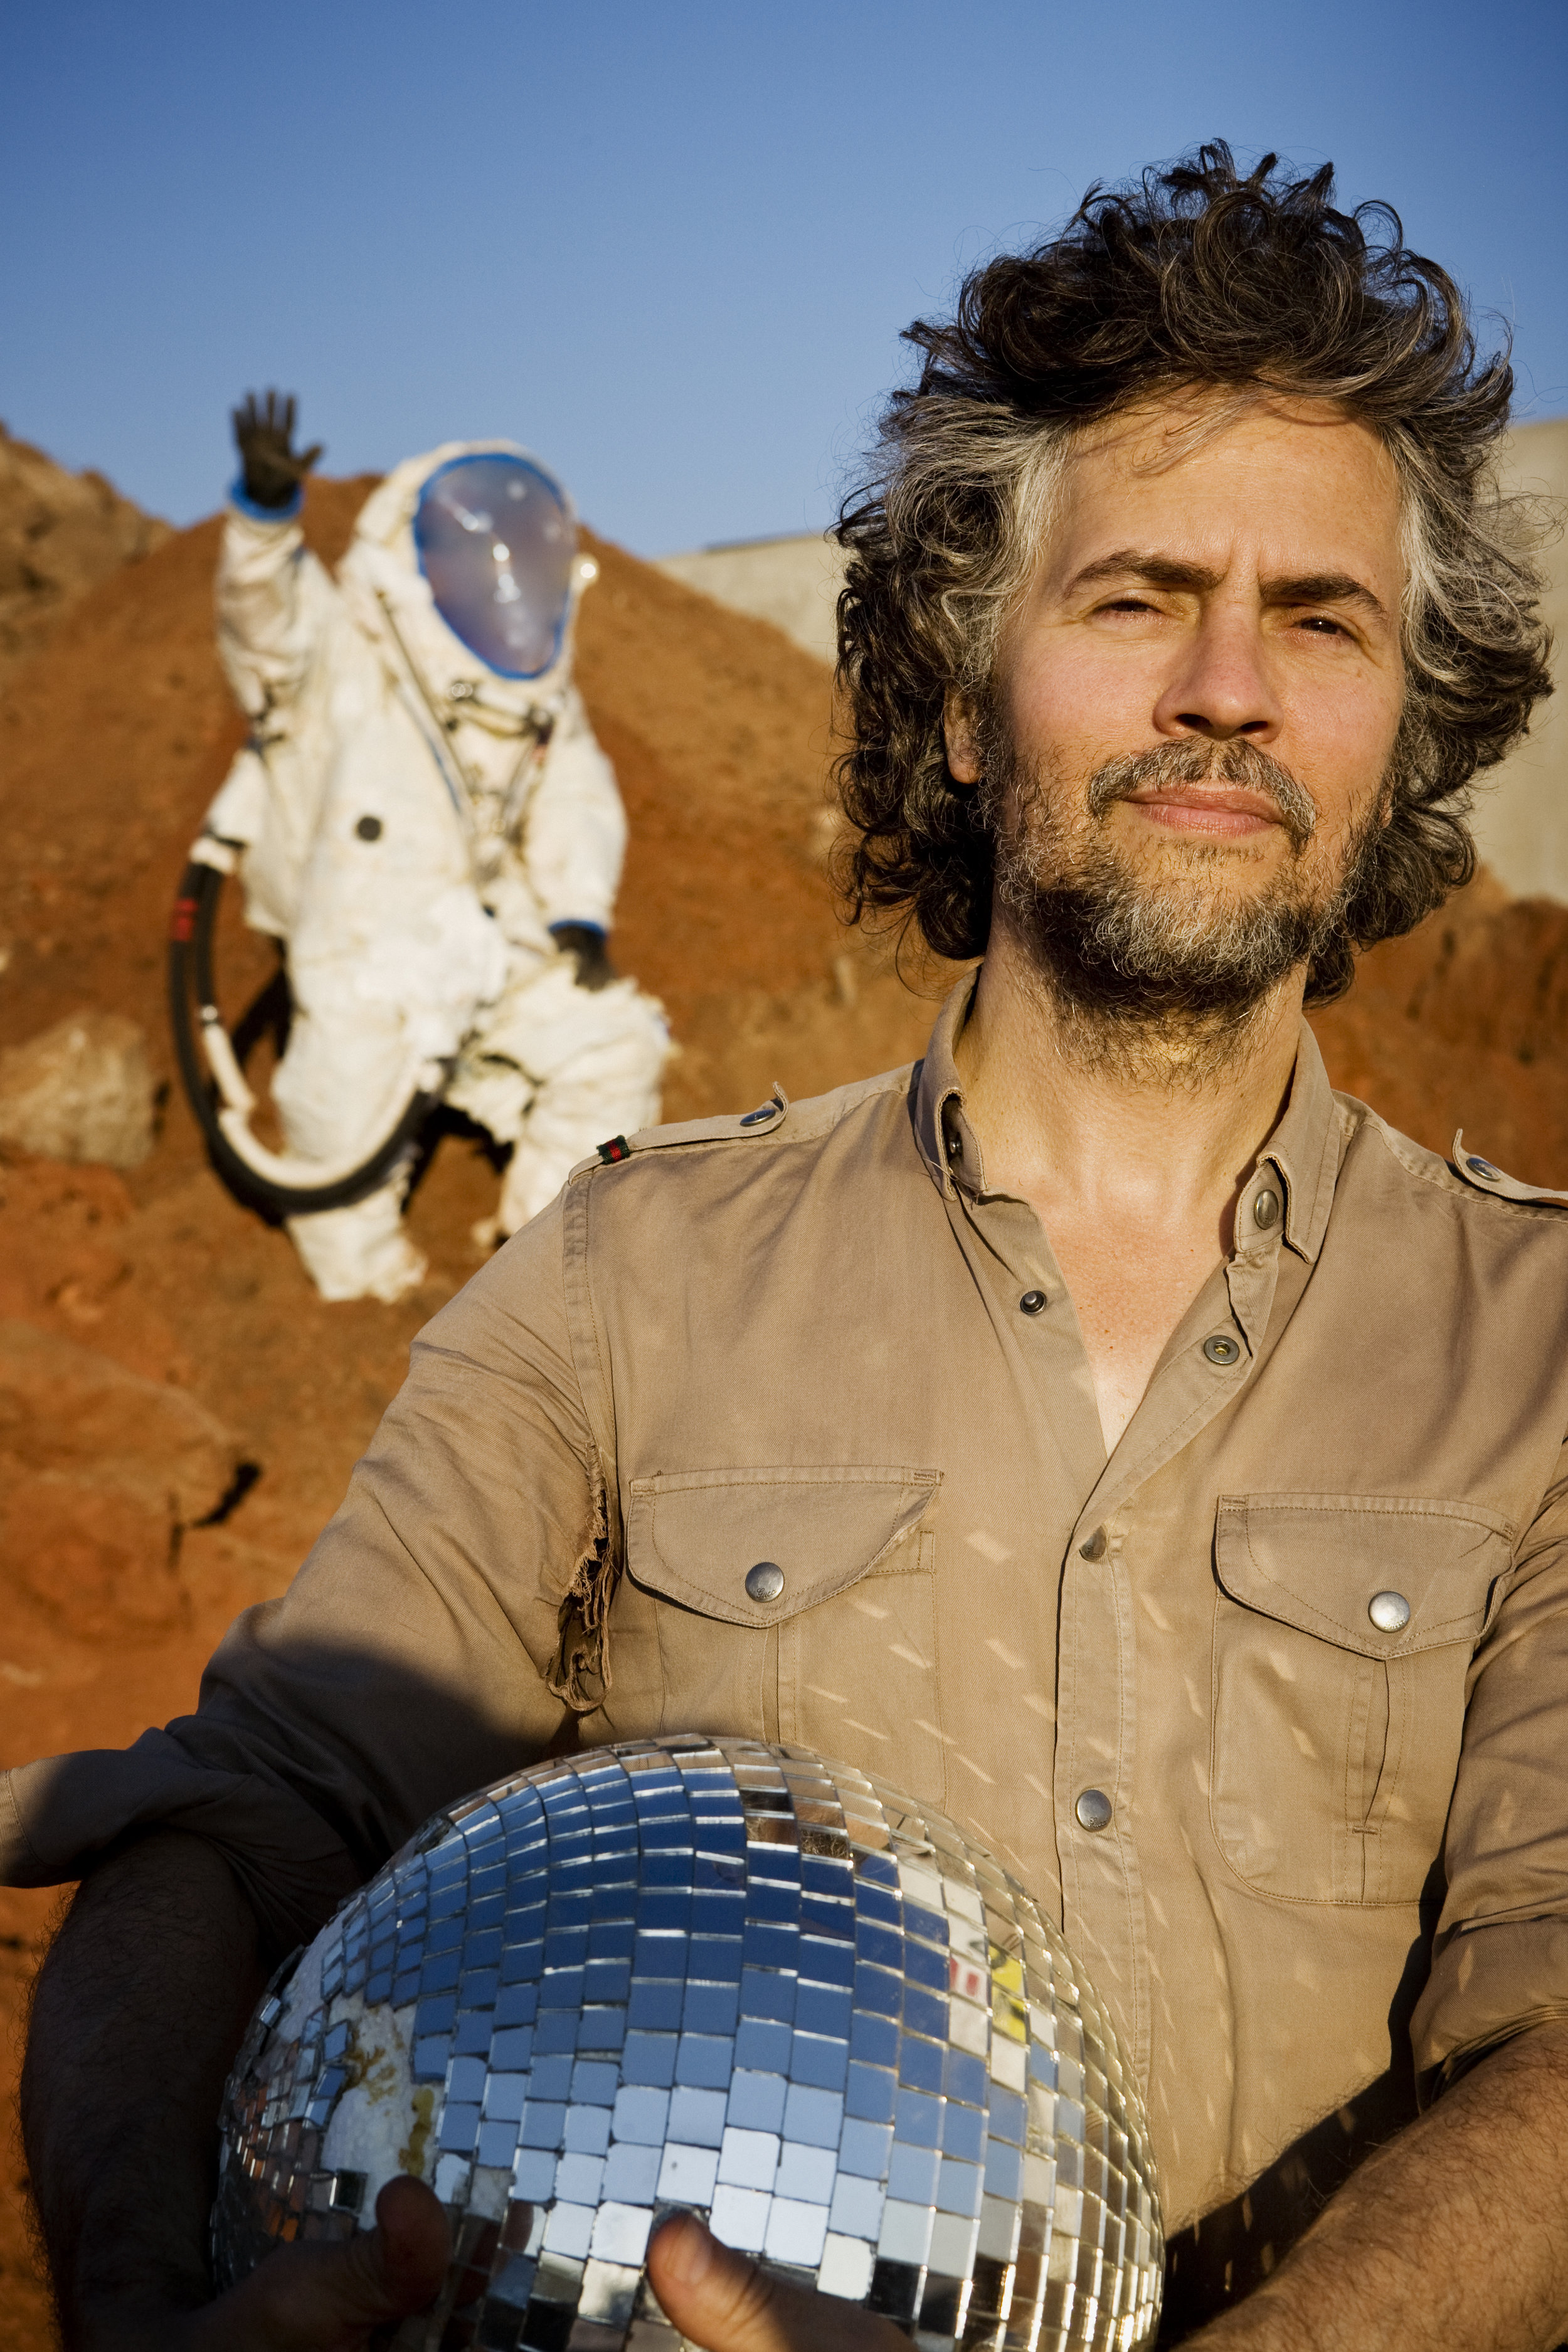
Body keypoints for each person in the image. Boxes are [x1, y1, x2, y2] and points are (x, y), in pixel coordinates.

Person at [9, 144, 1566, 2350]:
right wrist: (146, 2296)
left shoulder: (1545, 1350)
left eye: (1320, 620)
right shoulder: (622, 1280)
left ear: (1402, 726)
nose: (1229, 683)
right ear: (957, 688)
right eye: (1135, 597)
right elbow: (248, 1818)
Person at [206, 398, 669, 1300]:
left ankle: (541, 1267)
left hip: (491, 941)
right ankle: (365, 1292)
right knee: (341, 1111)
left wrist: (578, 910)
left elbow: (576, 791)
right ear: (419, 560)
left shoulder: (533, 696)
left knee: (615, 1044)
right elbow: (264, 627)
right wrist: (263, 520)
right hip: (366, 951)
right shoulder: (349, 651)